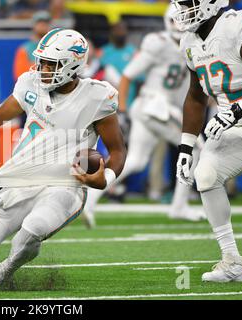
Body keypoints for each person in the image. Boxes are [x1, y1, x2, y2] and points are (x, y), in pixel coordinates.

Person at [0, 28, 126, 287]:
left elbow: (117, 151)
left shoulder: (96, 97)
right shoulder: (31, 84)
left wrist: (103, 178)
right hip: (20, 179)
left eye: (51, 64)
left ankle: (5, 269)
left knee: (32, 229)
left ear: (72, 65)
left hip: (63, 185)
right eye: (42, 62)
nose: (43, 69)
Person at [82, 5, 206, 228]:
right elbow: (128, 75)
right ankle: (179, 205)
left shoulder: (191, 43)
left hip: (156, 108)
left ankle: (91, 197)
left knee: (136, 161)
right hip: (154, 106)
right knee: (195, 148)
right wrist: (121, 109)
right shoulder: (158, 42)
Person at [173, 0, 242, 282]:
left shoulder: (238, 26)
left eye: (189, 4)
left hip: (240, 117)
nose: (183, 11)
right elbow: (196, 96)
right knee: (206, 175)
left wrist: (237, 110)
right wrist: (186, 146)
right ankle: (233, 262)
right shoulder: (189, 41)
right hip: (236, 127)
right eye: (180, 5)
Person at [13, 11, 51, 80]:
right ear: (34, 25)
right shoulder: (24, 49)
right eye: (40, 22)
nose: (43, 25)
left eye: (46, 23)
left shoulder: (54, 47)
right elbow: (20, 75)